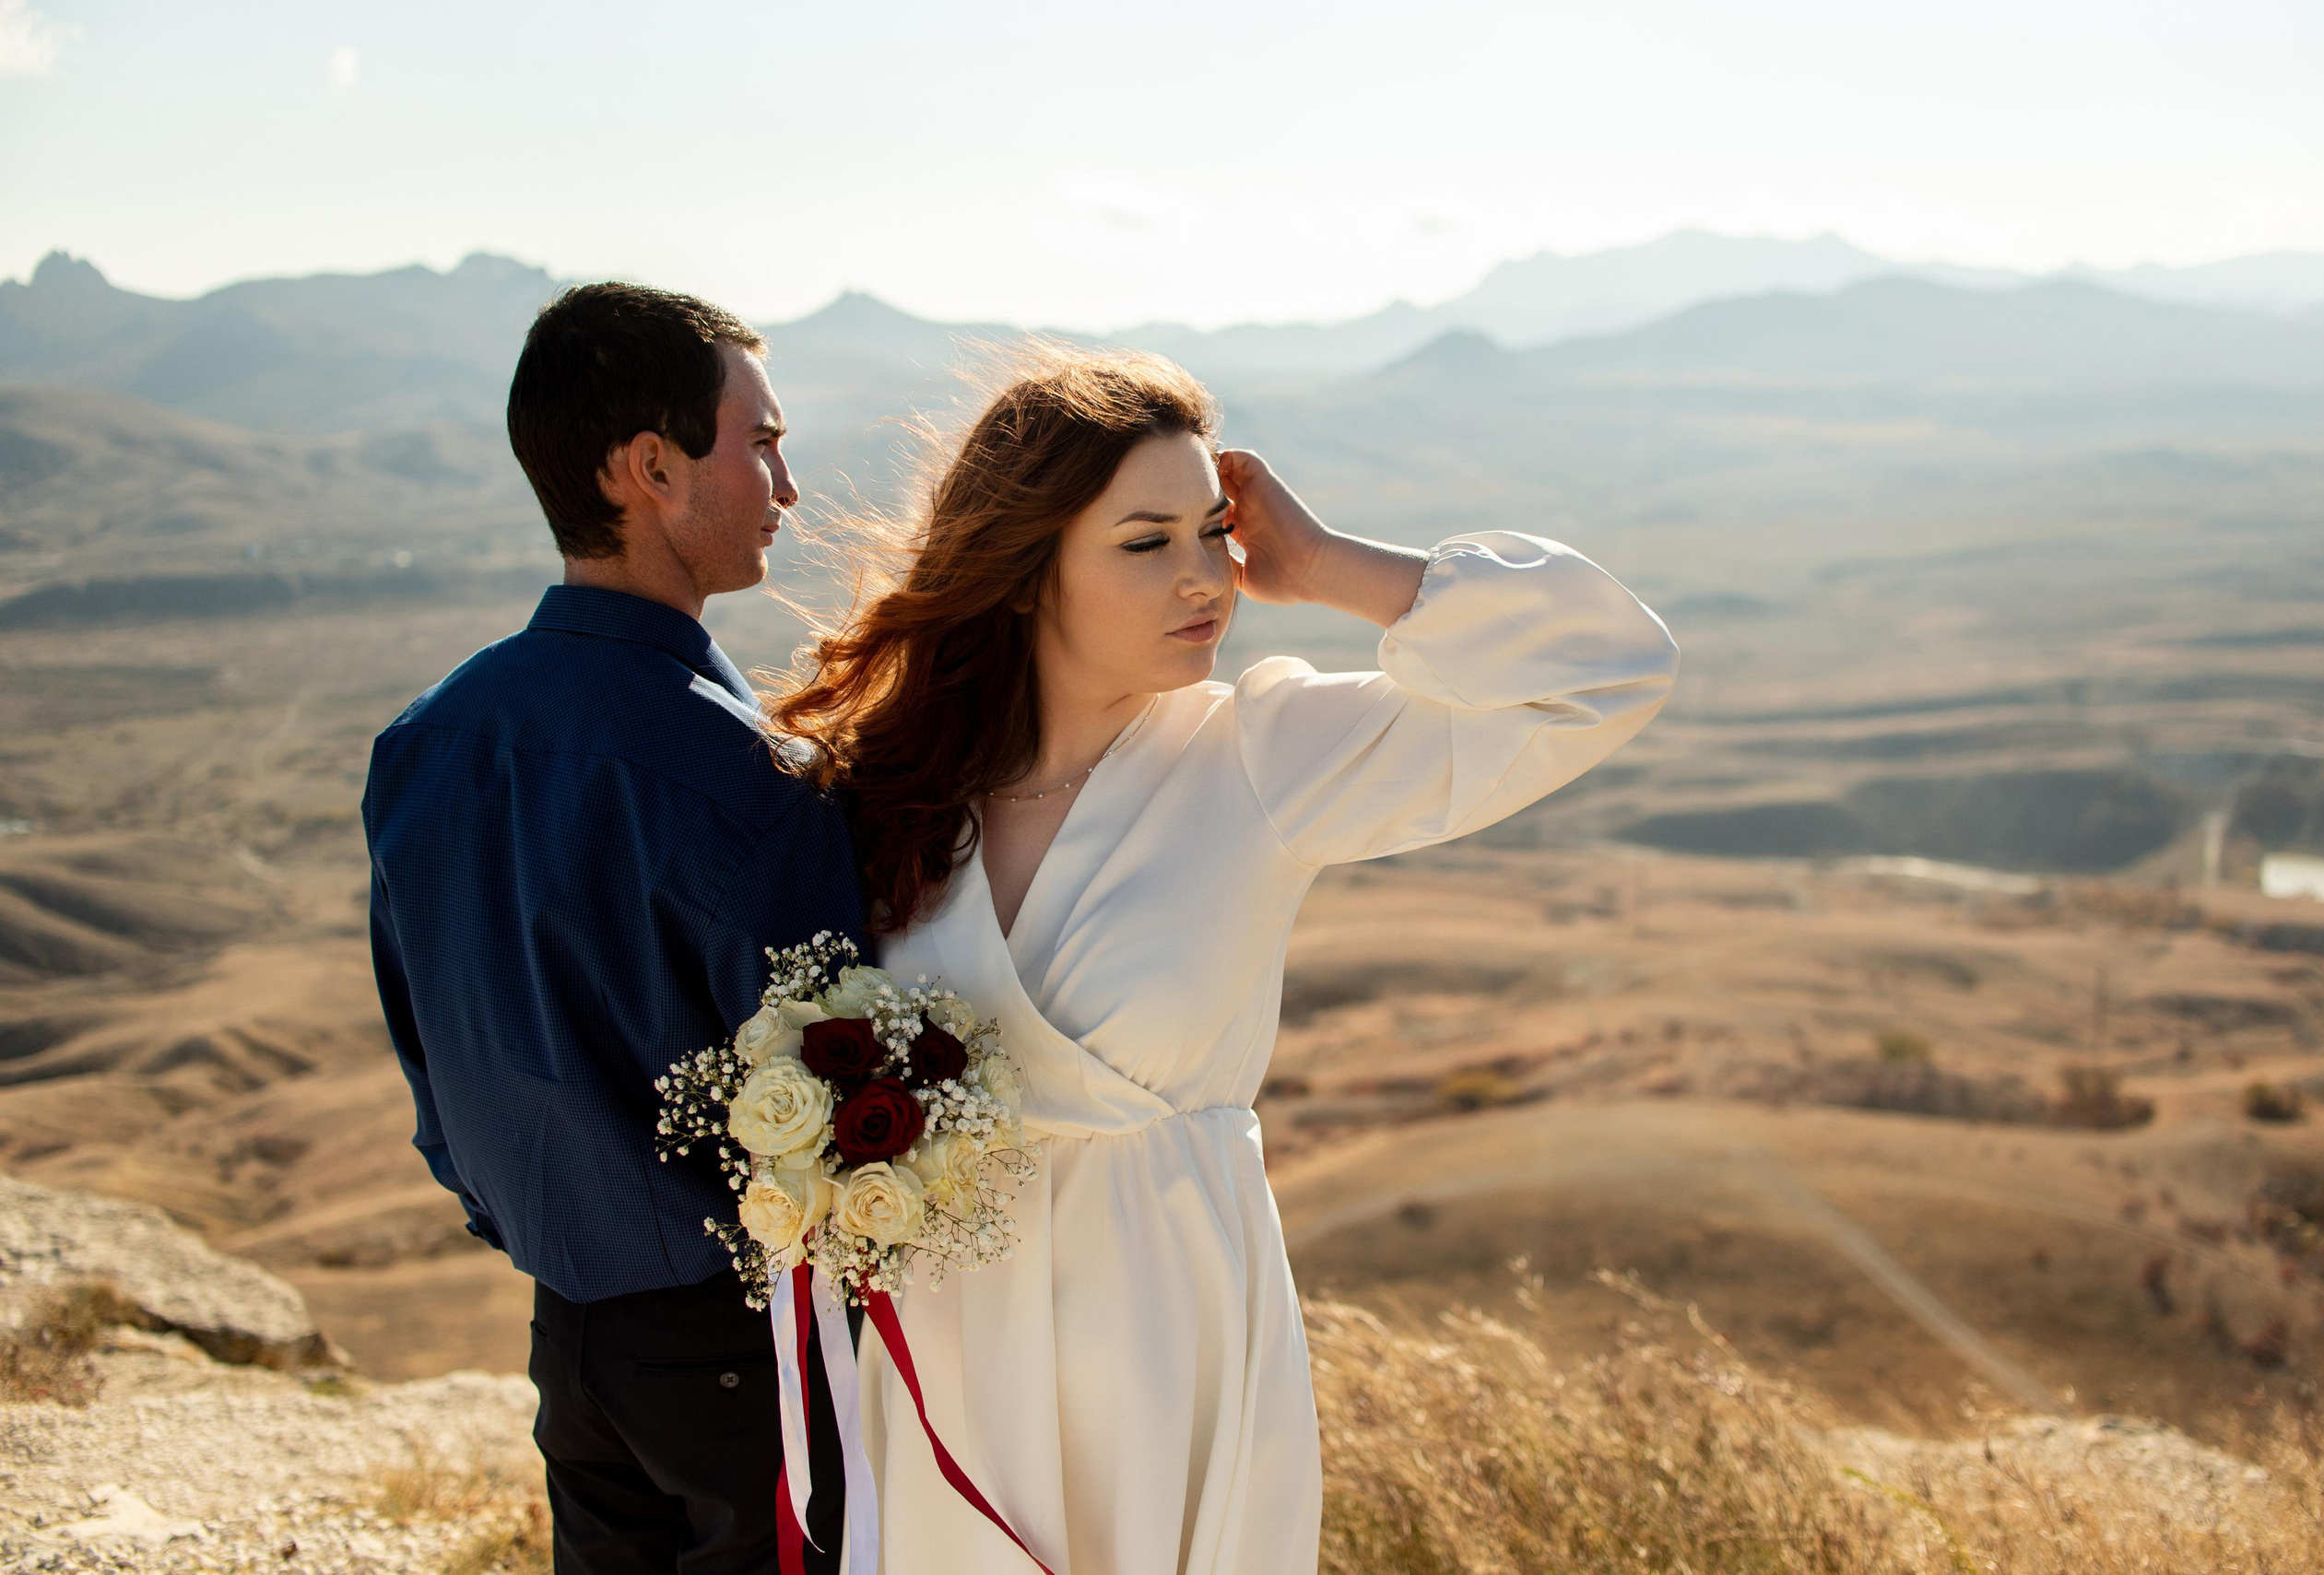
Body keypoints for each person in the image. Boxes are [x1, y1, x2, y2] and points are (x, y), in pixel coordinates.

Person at [768, 346, 1679, 1573]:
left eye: (1214, 532)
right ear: (1027, 565)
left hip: (1169, 1331)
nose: (1206, 579)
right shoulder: (888, 796)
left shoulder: (1261, 753)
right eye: (1147, 542)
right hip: (950, 1342)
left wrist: (1328, 564)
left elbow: (1605, 666)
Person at [363, 283, 865, 1575]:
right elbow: (840, 1108)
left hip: (565, 1334)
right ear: (650, 468)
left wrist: (526, 1212)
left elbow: (429, 1051)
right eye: (761, 442)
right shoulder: (751, 779)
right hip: (735, 1349)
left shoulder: (426, 739)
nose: (787, 486)